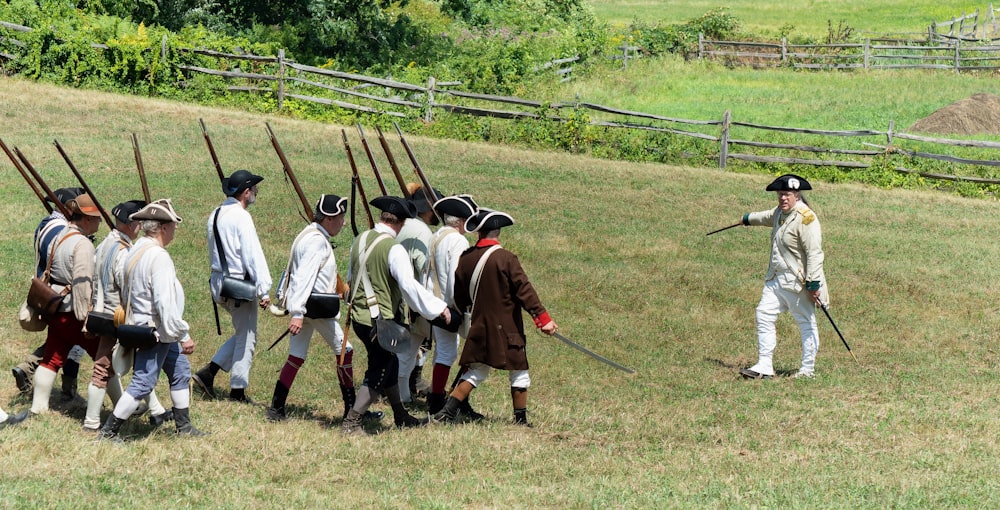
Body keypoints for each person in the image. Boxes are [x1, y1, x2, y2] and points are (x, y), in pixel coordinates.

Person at [432, 208, 558, 427]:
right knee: (519, 371)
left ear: (479, 232)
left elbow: (459, 294)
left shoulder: (467, 257)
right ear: (498, 231)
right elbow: (524, 290)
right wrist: (543, 319)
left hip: (479, 324)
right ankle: (520, 421)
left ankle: (447, 413)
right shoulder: (506, 258)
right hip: (507, 326)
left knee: (477, 371)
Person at [341, 196, 454, 435]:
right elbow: (409, 286)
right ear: (400, 223)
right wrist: (437, 308)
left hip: (360, 317)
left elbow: (351, 278)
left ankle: (401, 416)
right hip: (380, 320)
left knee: (389, 364)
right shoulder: (394, 249)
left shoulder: (359, 240)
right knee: (379, 371)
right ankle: (352, 422)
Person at [99, 199, 206, 440]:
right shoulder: (158, 257)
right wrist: (182, 334)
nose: (175, 230)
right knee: (143, 383)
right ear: (163, 227)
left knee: (180, 370)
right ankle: (109, 430)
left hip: (147, 327)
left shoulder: (136, 249)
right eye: (172, 225)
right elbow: (164, 303)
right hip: (156, 331)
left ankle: (184, 426)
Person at [265, 194, 376, 423]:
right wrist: (296, 313)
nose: (343, 222)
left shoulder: (310, 235)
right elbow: (303, 278)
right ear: (328, 218)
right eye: (340, 217)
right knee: (346, 350)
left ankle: (276, 407)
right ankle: (352, 410)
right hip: (312, 308)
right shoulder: (316, 241)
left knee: (296, 356)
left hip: (307, 307)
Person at [83, 200, 172, 431]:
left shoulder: (105, 243)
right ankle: (92, 422)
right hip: (118, 317)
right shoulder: (123, 250)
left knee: (135, 366)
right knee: (103, 368)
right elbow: (128, 285)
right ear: (133, 224)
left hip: (102, 312)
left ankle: (156, 411)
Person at [738, 174, 828, 380]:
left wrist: (814, 284)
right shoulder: (780, 213)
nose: (782, 199)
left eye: (786, 194)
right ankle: (764, 365)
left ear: (797, 195)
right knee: (763, 314)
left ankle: (807, 370)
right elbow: (765, 217)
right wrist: (746, 219)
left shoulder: (807, 218)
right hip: (776, 279)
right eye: (780, 195)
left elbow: (815, 253)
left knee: (805, 323)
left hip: (799, 283)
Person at [194, 169, 272, 403]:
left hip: (220, 283)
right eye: (254, 189)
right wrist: (263, 289)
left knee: (242, 333)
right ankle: (237, 391)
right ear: (246, 192)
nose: (256, 193)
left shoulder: (216, 213)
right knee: (248, 337)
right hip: (238, 284)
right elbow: (252, 255)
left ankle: (209, 373)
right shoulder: (241, 217)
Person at [29, 193, 103, 416]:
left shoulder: (60, 235)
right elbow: (82, 285)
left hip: (56, 308)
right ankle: (120, 407)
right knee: (103, 361)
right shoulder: (83, 245)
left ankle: (38, 408)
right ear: (87, 219)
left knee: (51, 358)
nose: (100, 222)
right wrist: (86, 319)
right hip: (73, 313)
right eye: (97, 218)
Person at [13, 187, 87, 398]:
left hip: (48, 292)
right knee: (73, 340)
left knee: (63, 340)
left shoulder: (48, 224)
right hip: (58, 294)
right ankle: (63, 386)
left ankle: (33, 370)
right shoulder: (60, 230)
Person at [425, 194, 481, 416]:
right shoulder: (458, 241)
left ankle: (446, 399)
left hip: (433, 303)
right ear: (460, 221)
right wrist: (460, 308)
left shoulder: (437, 235)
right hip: (449, 305)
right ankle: (442, 402)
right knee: (460, 352)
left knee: (444, 352)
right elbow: (455, 278)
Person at [394, 185, 442, 404]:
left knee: (407, 350)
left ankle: (403, 393)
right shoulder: (422, 231)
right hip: (412, 299)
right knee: (416, 347)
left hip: (397, 296)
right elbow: (425, 271)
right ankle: (409, 393)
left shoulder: (403, 224)